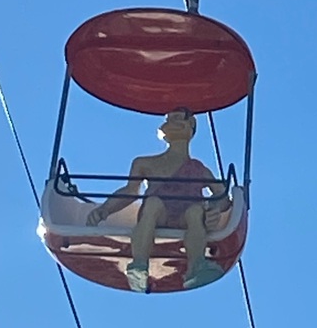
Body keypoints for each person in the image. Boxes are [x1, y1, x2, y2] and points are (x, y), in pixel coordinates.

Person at [86, 108, 231, 292]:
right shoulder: (145, 163)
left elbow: (222, 197)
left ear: (190, 125)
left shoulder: (198, 169)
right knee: (153, 203)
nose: (171, 123)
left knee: (196, 211)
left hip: (185, 217)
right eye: (169, 119)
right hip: (158, 214)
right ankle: (139, 265)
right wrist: (105, 209)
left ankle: (197, 265)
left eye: (178, 119)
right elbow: (130, 191)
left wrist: (213, 210)